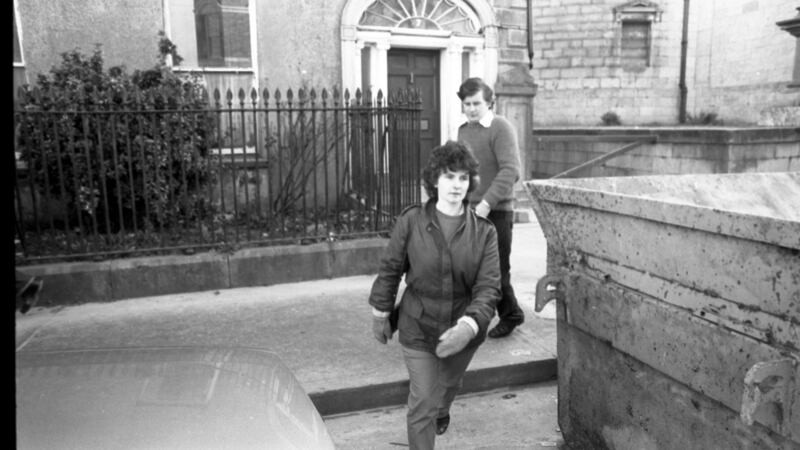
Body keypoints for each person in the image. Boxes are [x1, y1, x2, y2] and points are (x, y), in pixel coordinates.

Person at [369, 141, 501, 450]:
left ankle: (444, 408)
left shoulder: (484, 232)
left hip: (463, 327)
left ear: (470, 183)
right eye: (448, 176)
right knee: (422, 402)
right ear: (434, 180)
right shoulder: (411, 221)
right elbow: (390, 268)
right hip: (418, 325)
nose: (456, 185)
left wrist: (469, 327)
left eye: (463, 178)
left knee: (448, 385)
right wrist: (380, 311)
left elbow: (489, 288)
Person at [456, 77, 525, 338]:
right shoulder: (463, 130)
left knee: (496, 269)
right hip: (470, 210)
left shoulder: (500, 127)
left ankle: (511, 315)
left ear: (489, 102)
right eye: (467, 104)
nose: (471, 109)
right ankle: (480, 315)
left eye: (476, 103)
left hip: (497, 210)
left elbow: (511, 171)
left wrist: (486, 203)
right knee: (473, 268)